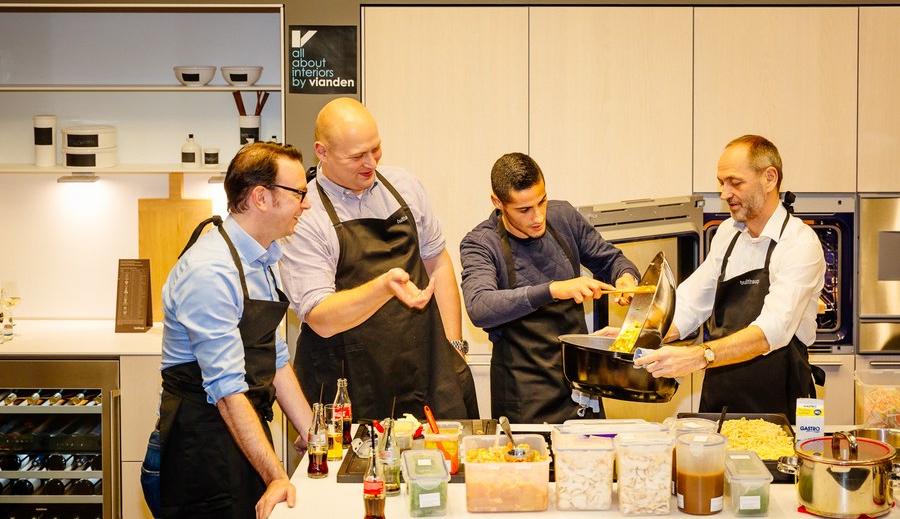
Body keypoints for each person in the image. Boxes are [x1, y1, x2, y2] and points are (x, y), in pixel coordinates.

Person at [153, 142, 315, 519]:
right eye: (299, 193)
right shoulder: (210, 270)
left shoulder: (263, 260)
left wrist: (315, 435)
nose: (305, 205)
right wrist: (277, 475)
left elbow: (274, 358)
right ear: (262, 197)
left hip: (239, 439)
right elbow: (226, 392)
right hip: (198, 449)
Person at [280, 98, 478, 422]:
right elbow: (320, 318)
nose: (370, 162)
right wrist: (383, 287)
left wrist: (454, 346)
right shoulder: (306, 214)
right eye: (357, 156)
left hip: (426, 368)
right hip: (351, 381)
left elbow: (437, 262)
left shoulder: (404, 186)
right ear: (322, 152)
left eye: (376, 149)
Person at [635, 135, 825, 423]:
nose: (724, 194)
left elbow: (771, 330)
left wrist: (698, 356)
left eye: (735, 183)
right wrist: (638, 334)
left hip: (778, 400)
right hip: (719, 398)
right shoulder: (728, 233)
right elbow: (689, 304)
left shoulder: (799, 243)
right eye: (722, 183)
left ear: (769, 178)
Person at [460, 152, 640, 423]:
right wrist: (553, 290)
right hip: (523, 394)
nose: (538, 216)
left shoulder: (564, 217)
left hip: (580, 382)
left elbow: (611, 260)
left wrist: (625, 276)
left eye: (542, 201)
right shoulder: (481, 243)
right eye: (524, 210)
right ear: (498, 202)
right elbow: (480, 307)